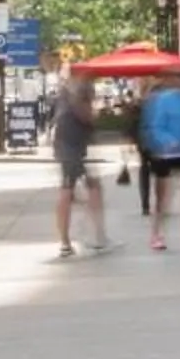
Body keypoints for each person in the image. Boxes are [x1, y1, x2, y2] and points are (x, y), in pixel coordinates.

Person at [138, 66, 180, 251]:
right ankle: (156, 234)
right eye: (176, 77)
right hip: (166, 153)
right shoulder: (160, 100)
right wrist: (167, 140)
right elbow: (155, 126)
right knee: (162, 196)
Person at [52, 73, 112, 258]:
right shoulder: (80, 90)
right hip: (75, 145)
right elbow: (85, 116)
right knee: (75, 190)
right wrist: (94, 116)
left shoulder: (65, 92)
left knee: (75, 188)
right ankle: (95, 237)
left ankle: (69, 240)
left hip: (66, 145)